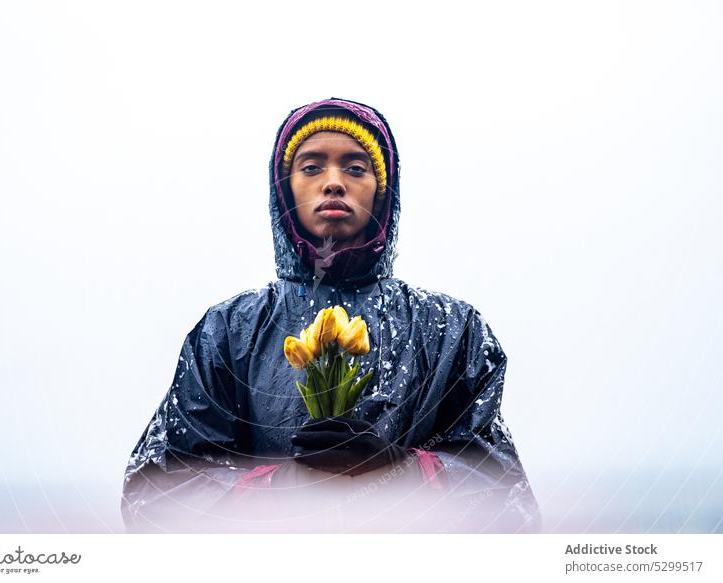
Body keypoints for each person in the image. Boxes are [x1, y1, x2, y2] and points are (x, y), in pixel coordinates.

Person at [120, 97, 541, 533]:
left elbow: (507, 498)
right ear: (285, 188)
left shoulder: (453, 330)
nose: (334, 183)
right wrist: (279, 488)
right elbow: (158, 496)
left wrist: (409, 472)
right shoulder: (230, 330)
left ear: (383, 189)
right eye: (311, 167)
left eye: (356, 168)